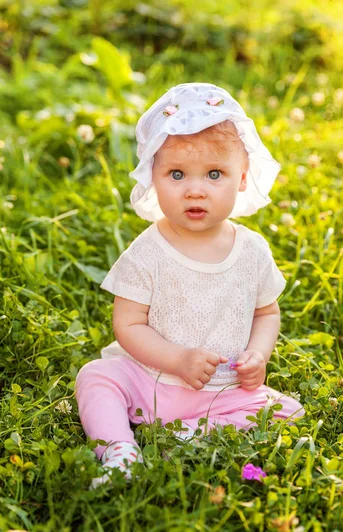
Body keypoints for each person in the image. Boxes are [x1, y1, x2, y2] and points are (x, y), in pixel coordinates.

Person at [75, 82, 304, 487]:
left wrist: (257, 354)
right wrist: (177, 360)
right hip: (149, 379)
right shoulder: (148, 251)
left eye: (214, 174)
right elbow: (127, 325)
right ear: (154, 178)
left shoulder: (252, 250)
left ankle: (193, 433)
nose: (195, 189)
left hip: (222, 388)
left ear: (242, 179)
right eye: (177, 174)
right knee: (97, 377)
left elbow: (267, 312)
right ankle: (118, 450)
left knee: (288, 411)